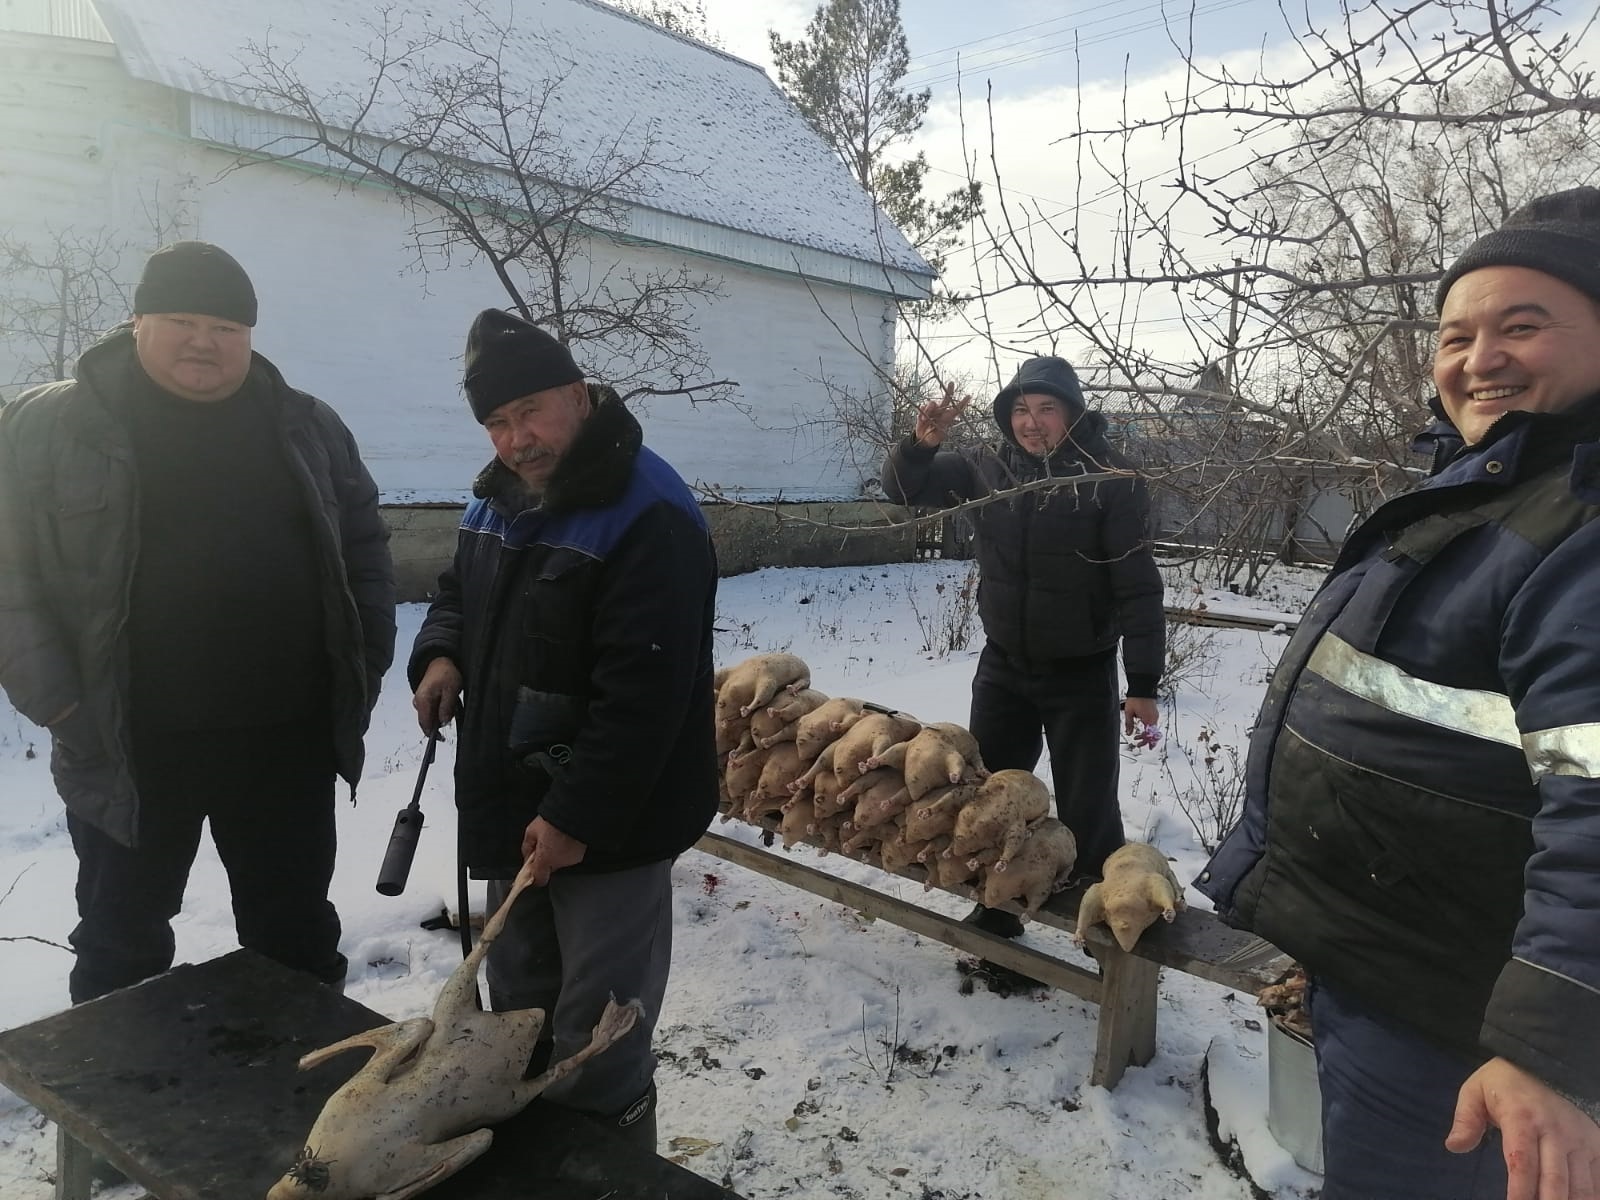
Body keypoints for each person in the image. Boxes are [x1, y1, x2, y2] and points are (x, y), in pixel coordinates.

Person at [1198, 188, 1600, 1200]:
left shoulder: (1580, 529)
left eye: (1523, 325)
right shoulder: (1494, 492)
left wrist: (1549, 1039)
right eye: (1456, 334)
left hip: (1460, 1022)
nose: (1479, 358)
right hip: (1396, 971)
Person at [0, 241, 396, 1003]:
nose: (204, 340)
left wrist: (366, 657)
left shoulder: (306, 424)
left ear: (250, 337)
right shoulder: (48, 427)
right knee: (122, 939)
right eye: (182, 318)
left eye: (226, 326)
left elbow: (365, 546)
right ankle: (111, 1113)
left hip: (286, 739)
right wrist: (55, 698)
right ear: (140, 320)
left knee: (296, 936)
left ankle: (301, 1105)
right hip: (130, 739)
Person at [409, 308, 719, 1151]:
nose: (517, 439)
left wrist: (578, 817)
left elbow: (646, 697)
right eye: (498, 423)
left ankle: (611, 1165)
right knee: (518, 999)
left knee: (599, 1024)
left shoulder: (647, 511)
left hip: (612, 823)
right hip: (515, 798)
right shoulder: (499, 497)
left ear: (578, 396)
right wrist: (441, 654)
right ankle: (534, 1158)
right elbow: (457, 591)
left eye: (531, 412)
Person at [882, 356, 1165, 937]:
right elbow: (905, 488)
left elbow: (1137, 585)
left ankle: (1104, 927)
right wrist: (920, 443)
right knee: (993, 795)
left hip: (1079, 670)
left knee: (1088, 805)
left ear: (1071, 412)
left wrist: (1142, 683)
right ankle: (997, 911)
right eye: (1020, 410)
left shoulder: (1109, 478)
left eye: (1045, 409)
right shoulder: (986, 467)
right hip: (1005, 663)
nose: (1030, 423)